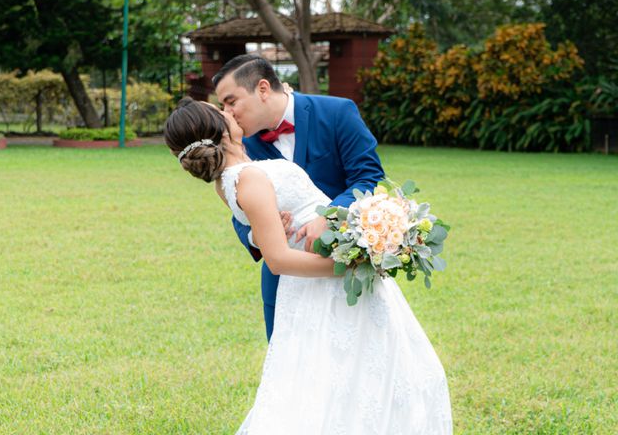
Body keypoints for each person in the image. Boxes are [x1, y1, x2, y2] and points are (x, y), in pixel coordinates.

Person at [164, 98, 453, 434]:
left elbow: (270, 231)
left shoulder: (232, 179)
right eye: (221, 111)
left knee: (355, 373)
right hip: (324, 281)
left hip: (323, 274)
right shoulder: (248, 177)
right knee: (345, 378)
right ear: (216, 129)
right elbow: (278, 259)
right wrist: (349, 264)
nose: (230, 112)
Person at [212, 54, 385, 341]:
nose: (228, 114)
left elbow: (369, 177)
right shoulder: (239, 145)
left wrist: (330, 216)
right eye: (223, 106)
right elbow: (238, 207)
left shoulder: (337, 112)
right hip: (284, 279)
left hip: (345, 267)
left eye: (232, 102)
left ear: (263, 89)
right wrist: (259, 236)